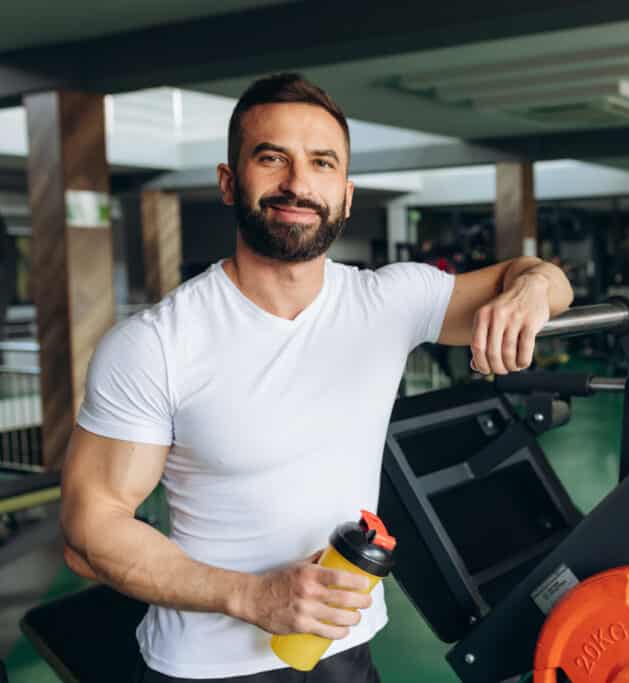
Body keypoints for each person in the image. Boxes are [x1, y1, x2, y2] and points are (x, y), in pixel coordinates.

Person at [59, 73, 573, 682]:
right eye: (272, 157)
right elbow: (92, 526)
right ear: (230, 182)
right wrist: (252, 597)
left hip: (346, 652)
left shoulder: (389, 301)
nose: (298, 184)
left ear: (347, 193)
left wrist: (532, 292)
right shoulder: (157, 344)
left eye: (321, 163)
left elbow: (542, 277)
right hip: (204, 667)